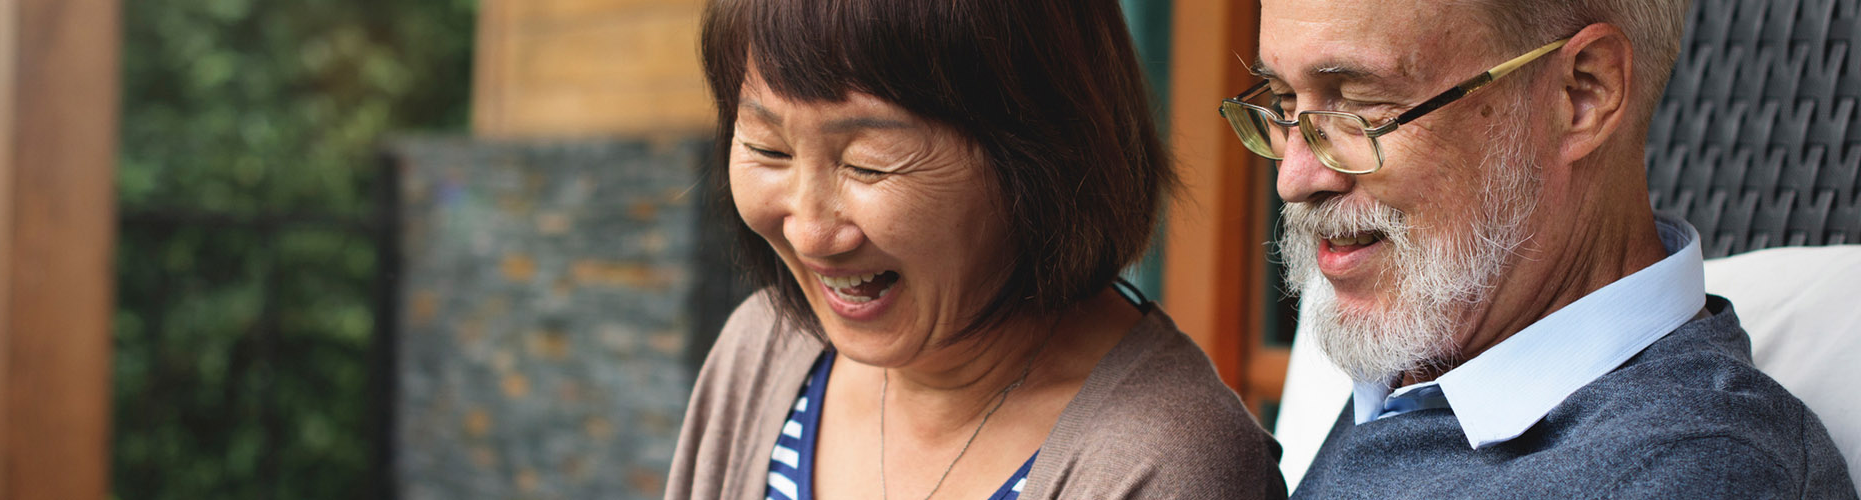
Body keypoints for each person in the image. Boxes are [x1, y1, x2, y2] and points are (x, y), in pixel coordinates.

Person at [1224, 0, 1856, 497]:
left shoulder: (1697, 472)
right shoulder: (1427, 345)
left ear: (1583, 92)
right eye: (1283, 103)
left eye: (1361, 107)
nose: (1294, 177)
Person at [665, 0, 1285, 499]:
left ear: (1042, 159)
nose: (810, 232)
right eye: (769, 150)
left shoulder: (1164, 465)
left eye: (868, 165)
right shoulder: (765, 349)